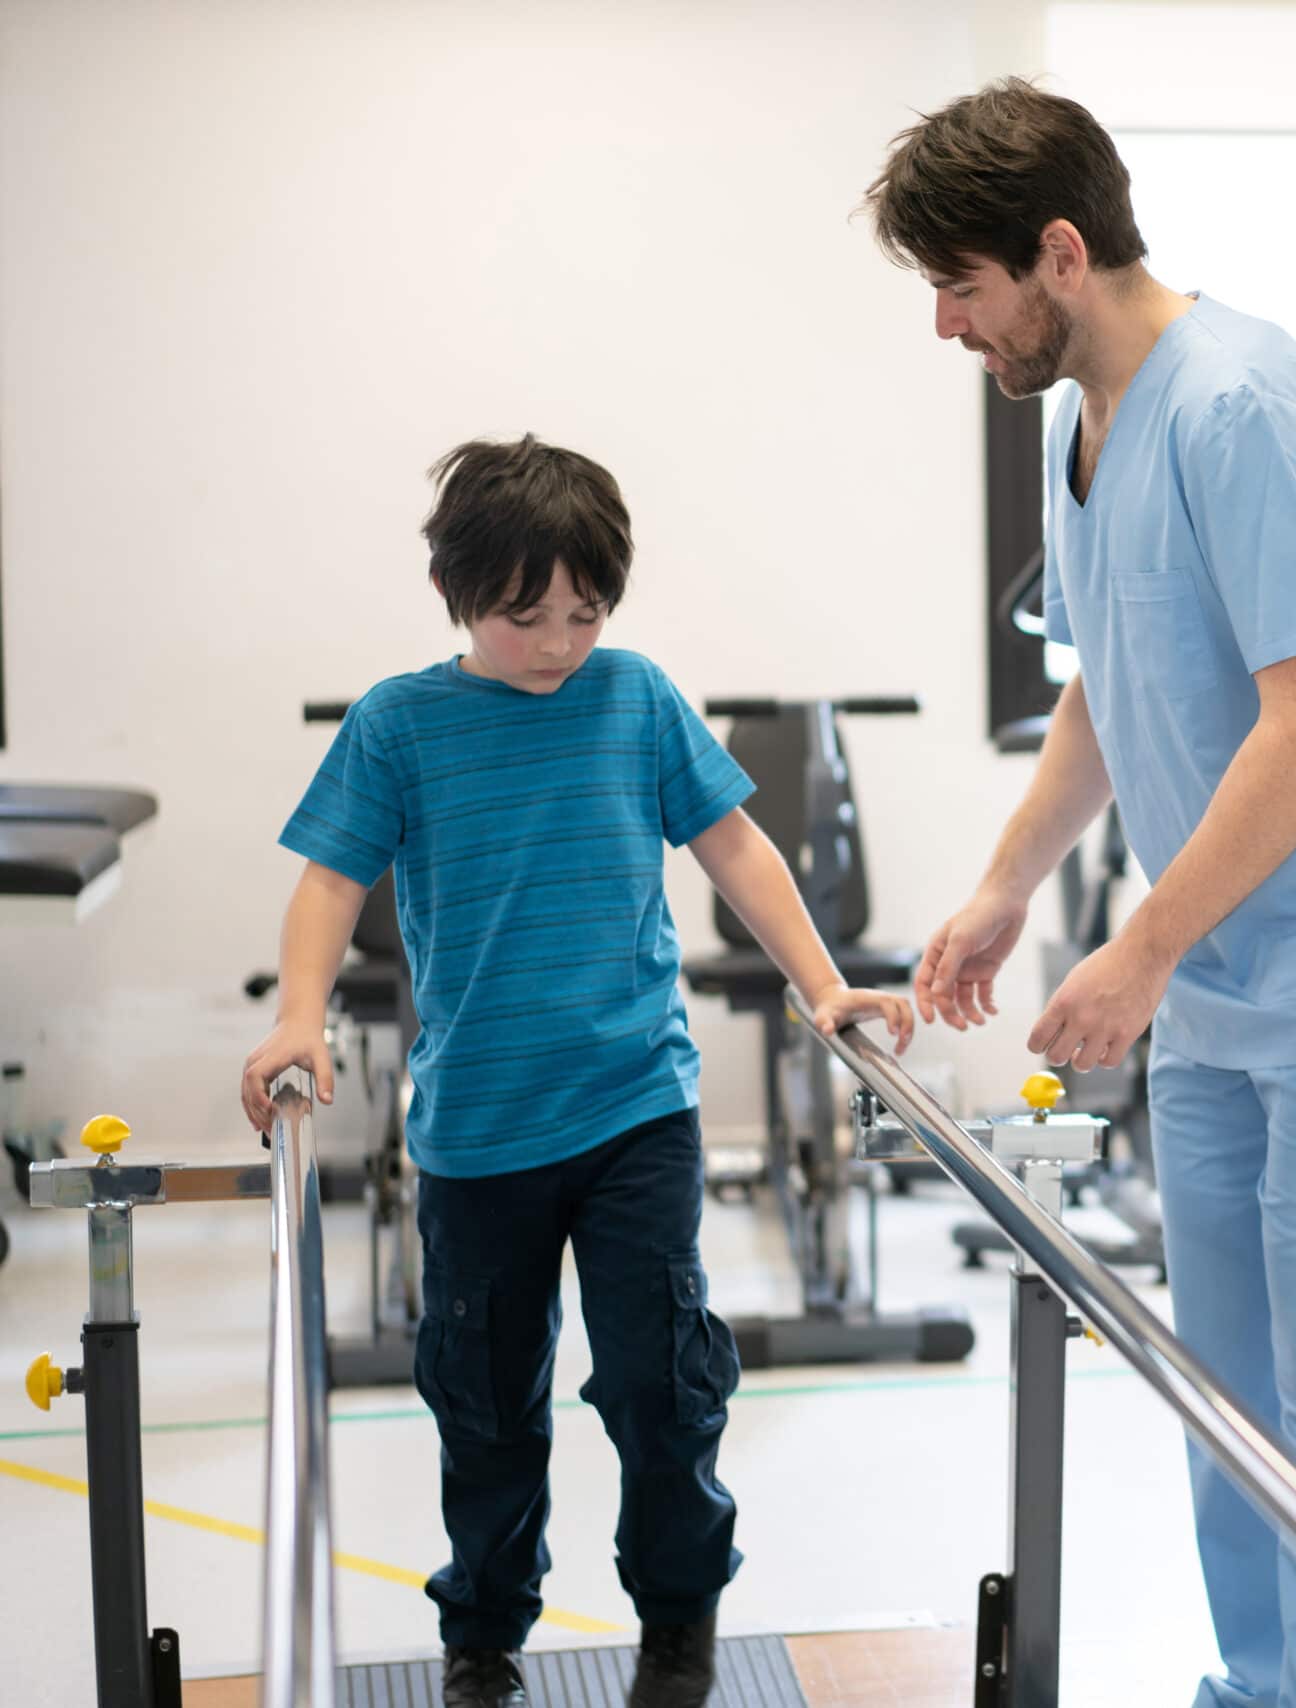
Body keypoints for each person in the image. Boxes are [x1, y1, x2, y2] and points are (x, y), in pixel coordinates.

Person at [865, 80, 1296, 1706]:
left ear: (1059, 249)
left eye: (961, 284)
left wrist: (1145, 943)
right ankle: (1267, 1683)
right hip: (1234, 977)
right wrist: (1006, 886)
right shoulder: (1078, 423)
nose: (949, 323)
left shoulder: (1247, 405)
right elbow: (1107, 676)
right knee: (1224, 1383)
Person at [237, 435, 914, 1708]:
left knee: (663, 1383)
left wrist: (820, 983)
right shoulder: (400, 724)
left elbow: (736, 843)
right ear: (457, 593)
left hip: (632, 1109)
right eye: (524, 614)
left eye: (585, 611)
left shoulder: (635, 696)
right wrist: (301, 1017)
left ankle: (677, 1626)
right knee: (486, 1410)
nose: (557, 642)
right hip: (479, 1133)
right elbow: (330, 877)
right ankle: (482, 1639)